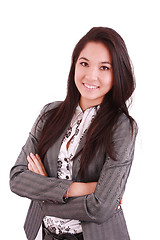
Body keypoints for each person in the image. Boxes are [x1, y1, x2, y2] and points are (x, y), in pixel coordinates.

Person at [10, 27, 138, 240]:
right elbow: (17, 178)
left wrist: (43, 196)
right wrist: (81, 188)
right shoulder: (49, 114)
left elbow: (102, 207)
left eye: (104, 67)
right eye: (84, 63)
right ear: (74, 65)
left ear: (118, 74)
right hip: (47, 234)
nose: (92, 75)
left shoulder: (122, 127)